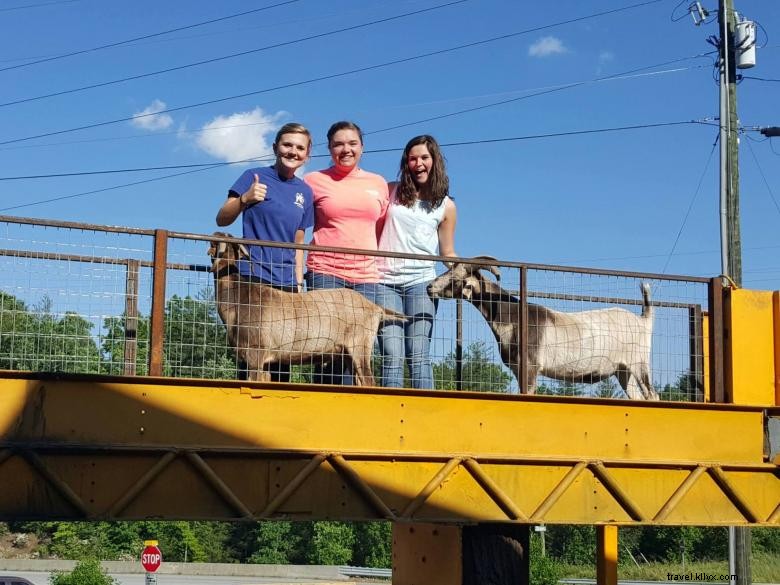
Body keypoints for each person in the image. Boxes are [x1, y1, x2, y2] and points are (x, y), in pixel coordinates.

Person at [215, 122, 314, 381]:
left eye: (299, 148)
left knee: (282, 361)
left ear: (307, 155)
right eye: (287, 145)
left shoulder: (305, 191)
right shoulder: (253, 176)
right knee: (252, 356)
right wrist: (244, 199)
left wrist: (298, 279)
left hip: (286, 285)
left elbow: (299, 239)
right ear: (275, 147)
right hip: (254, 278)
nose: (293, 151)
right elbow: (221, 219)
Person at [304, 121, 389, 385]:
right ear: (329, 148)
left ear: (362, 147)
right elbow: (297, 223)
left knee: (359, 352)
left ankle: (356, 413)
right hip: (326, 272)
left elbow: (379, 227)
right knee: (325, 349)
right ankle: (324, 410)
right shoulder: (313, 181)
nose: (346, 149)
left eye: (352, 143)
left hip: (366, 277)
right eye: (338, 144)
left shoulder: (378, 183)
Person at [377, 135, 457, 389]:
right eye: (413, 158)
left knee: (418, 353)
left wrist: (468, 272)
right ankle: (390, 412)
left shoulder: (446, 206)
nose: (418, 163)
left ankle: (425, 414)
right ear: (406, 163)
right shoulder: (390, 191)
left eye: (424, 157)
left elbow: (447, 252)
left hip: (422, 284)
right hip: (384, 282)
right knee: (392, 352)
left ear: (434, 161)